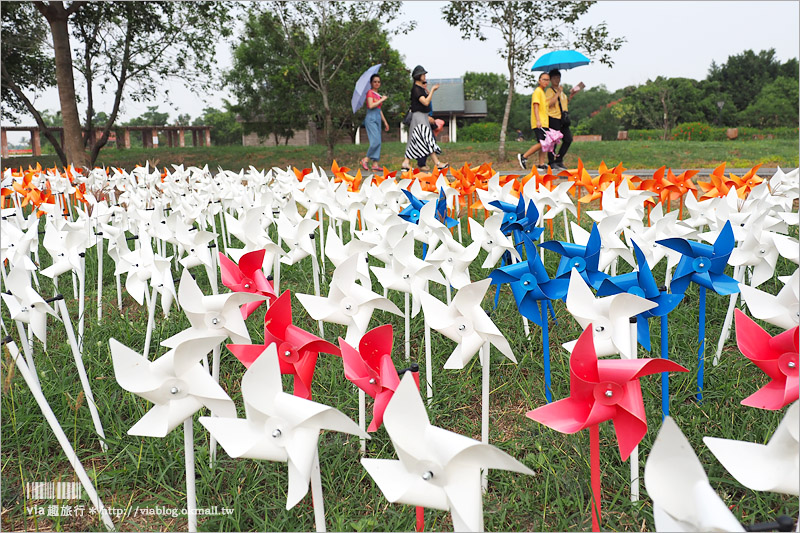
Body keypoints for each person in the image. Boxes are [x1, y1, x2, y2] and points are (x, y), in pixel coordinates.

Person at [401, 65, 448, 172]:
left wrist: (428, 91)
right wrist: (432, 90)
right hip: (419, 117)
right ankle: (437, 163)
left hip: (420, 117)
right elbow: (425, 102)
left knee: (415, 140)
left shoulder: (419, 89)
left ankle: (406, 162)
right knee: (427, 139)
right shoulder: (416, 89)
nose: (425, 76)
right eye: (423, 74)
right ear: (418, 76)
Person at [517, 72, 551, 172]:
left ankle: (541, 164)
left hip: (545, 122)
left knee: (544, 144)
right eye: (544, 79)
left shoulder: (543, 93)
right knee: (543, 143)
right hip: (539, 122)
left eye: (547, 80)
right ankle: (524, 156)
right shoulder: (537, 91)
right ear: (539, 80)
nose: (546, 82)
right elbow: (535, 106)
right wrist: (538, 120)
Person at [545, 69, 577, 171]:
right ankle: (551, 162)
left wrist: (570, 96)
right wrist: (557, 93)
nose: (557, 80)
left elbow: (563, 104)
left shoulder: (562, 92)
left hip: (563, 119)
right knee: (552, 142)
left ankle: (559, 159)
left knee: (568, 139)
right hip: (553, 118)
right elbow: (550, 104)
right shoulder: (550, 91)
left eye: (558, 78)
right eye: (554, 78)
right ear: (550, 79)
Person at [360, 74, 390, 172]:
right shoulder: (370, 93)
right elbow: (371, 105)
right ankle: (366, 159)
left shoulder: (378, 94)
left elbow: (379, 109)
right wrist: (382, 99)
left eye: (378, 82)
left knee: (379, 141)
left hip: (377, 117)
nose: (377, 83)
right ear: (371, 83)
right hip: (371, 118)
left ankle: (375, 164)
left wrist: (385, 122)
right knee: (375, 141)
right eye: (375, 82)